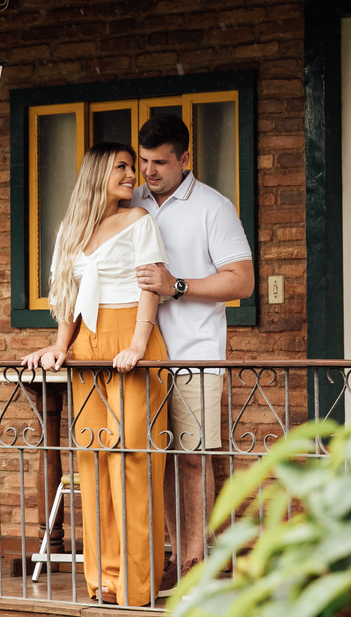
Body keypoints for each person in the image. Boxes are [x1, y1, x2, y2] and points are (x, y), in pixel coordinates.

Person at [21, 142, 171, 607]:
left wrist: (138, 346)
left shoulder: (140, 221)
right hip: (87, 346)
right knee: (93, 459)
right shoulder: (71, 229)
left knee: (134, 462)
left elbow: (150, 288)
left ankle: (136, 585)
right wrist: (59, 346)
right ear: (97, 174)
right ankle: (103, 580)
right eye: (121, 167)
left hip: (131, 342)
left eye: (131, 167)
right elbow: (67, 296)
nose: (132, 175)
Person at [131, 114, 254, 597]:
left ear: (185, 158)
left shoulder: (213, 207)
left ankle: (194, 563)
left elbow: (241, 281)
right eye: (143, 161)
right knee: (154, 461)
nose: (149, 171)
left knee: (192, 460)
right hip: (139, 357)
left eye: (160, 162)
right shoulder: (131, 201)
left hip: (194, 355)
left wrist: (176, 285)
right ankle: (170, 556)